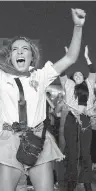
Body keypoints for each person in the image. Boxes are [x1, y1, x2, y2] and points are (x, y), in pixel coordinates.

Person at [0, 8, 85, 191]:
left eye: (24, 49)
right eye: (15, 49)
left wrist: (78, 26)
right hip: (9, 141)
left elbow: (70, 57)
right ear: (11, 57)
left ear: (32, 57)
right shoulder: (0, 77)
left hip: (37, 140)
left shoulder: (42, 75)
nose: (19, 52)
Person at [59, 45, 96, 191]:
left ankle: (86, 181)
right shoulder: (68, 85)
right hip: (71, 119)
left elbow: (93, 71)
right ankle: (71, 181)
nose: (78, 76)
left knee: (85, 152)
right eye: (75, 75)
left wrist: (87, 57)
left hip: (85, 119)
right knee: (71, 151)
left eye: (81, 74)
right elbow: (62, 72)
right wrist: (68, 58)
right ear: (73, 78)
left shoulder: (89, 84)